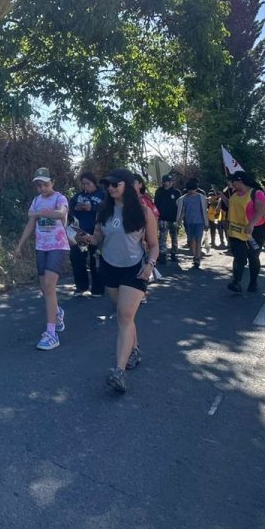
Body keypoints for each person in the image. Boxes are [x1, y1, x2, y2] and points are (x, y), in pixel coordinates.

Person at [84, 167, 159, 394]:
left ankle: (118, 371)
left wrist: (150, 265)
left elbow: (154, 245)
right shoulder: (104, 210)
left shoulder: (144, 212)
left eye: (115, 184)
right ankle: (134, 350)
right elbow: (98, 237)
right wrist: (87, 238)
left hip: (135, 269)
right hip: (109, 267)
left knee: (124, 315)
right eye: (108, 184)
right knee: (124, 314)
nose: (111, 188)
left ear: (127, 185)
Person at [13, 167, 69, 351]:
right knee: (43, 288)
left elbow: (61, 214)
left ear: (52, 182)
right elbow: (30, 223)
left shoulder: (60, 198)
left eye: (45, 184)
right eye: (39, 185)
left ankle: (51, 333)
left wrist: (40, 213)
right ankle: (57, 312)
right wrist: (20, 245)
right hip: (41, 247)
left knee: (49, 286)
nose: (43, 188)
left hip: (58, 246)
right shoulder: (36, 201)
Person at [226, 171, 265, 295]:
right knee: (239, 257)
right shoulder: (234, 194)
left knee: (253, 257)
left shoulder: (256, 193)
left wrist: (251, 224)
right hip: (236, 231)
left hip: (255, 231)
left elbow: (261, 211)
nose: (231, 184)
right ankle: (236, 282)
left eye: (233, 181)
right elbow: (231, 207)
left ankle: (253, 281)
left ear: (240, 181)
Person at [68, 171, 104, 296]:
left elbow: (107, 209)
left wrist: (92, 208)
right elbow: (68, 208)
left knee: (95, 260)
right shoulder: (78, 196)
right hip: (79, 232)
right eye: (83, 184)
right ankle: (81, 286)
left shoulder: (102, 194)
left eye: (88, 183)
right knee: (77, 258)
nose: (85, 186)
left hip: (96, 231)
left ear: (94, 183)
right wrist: (76, 208)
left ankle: (98, 288)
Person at [175, 179, 208, 269]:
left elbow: (204, 211)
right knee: (191, 240)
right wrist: (179, 220)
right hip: (189, 222)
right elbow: (183, 211)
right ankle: (195, 255)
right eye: (189, 189)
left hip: (200, 222)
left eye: (192, 189)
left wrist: (206, 223)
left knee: (198, 240)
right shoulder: (184, 198)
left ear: (196, 188)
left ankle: (197, 257)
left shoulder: (201, 197)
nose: (191, 191)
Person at [154, 174, 182, 263]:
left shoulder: (176, 192)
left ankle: (174, 254)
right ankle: (162, 255)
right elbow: (156, 204)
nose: (167, 183)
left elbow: (180, 206)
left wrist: (180, 218)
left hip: (174, 219)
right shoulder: (159, 191)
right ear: (163, 182)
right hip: (163, 218)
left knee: (174, 236)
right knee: (162, 237)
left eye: (169, 182)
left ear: (172, 182)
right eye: (165, 181)